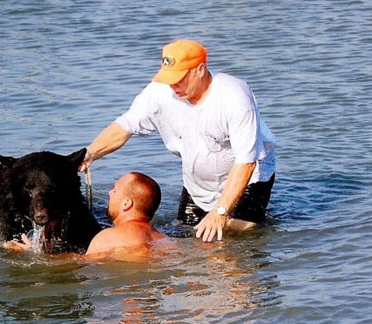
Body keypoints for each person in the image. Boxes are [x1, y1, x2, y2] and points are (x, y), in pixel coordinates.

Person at [80, 39, 276, 243]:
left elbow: (246, 161)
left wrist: (220, 212)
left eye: (179, 78)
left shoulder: (234, 97)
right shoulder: (160, 91)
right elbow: (126, 125)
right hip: (197, 182)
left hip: (249, 177)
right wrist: (90, 153)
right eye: (169, 78)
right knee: (188, 235)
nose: (174, 85)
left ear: (200, 69)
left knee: (235, 241)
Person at [83, 171, 169, 262]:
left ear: (126, 203)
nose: (110, 193)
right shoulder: (166, 241)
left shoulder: (108, 237)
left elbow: (83, 264)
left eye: (115, 190)